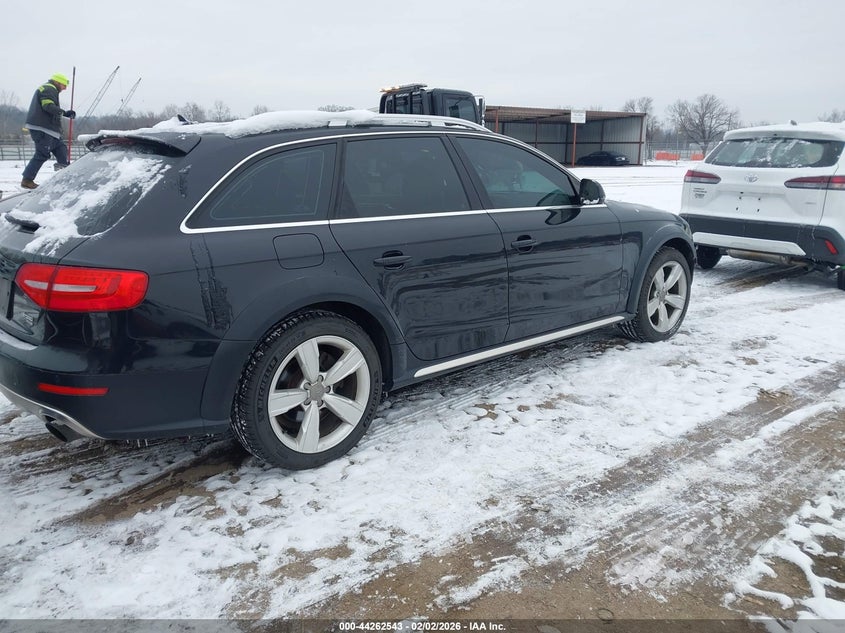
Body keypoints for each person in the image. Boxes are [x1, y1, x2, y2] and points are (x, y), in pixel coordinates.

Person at [21, 73, 76, 189]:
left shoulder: (50, 89)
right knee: (42, 153)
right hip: (43, 128)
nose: (65, 88)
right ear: (57, 82)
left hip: (51, 130)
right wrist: (64, 112)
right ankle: (27, 180)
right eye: (64, 85)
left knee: (61, 149)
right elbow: (47, 106)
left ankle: (65, 177)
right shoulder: (49, 89)